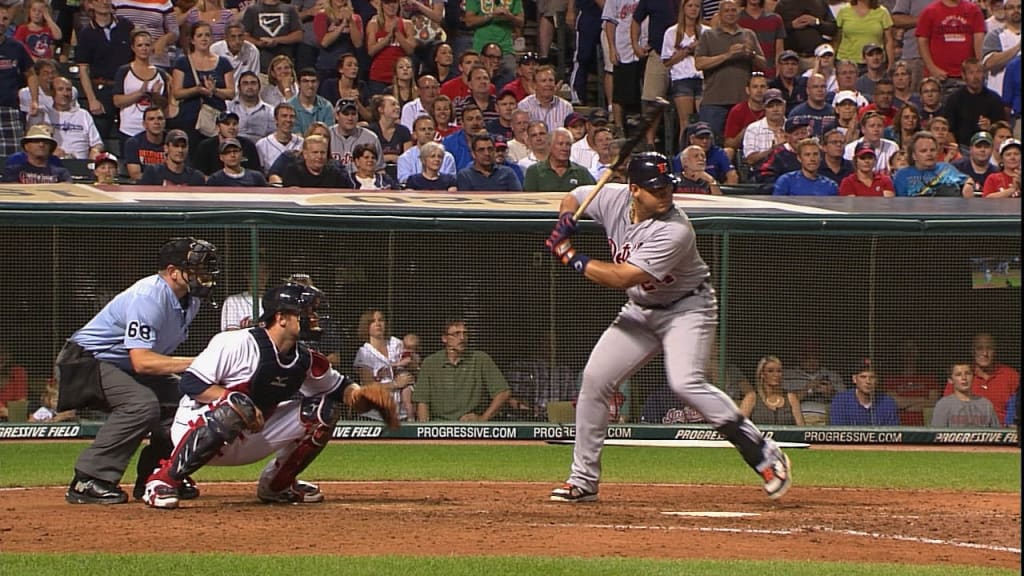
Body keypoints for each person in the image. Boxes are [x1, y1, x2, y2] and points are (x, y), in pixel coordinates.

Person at [545, 151, 792, 503]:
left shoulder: (675, 229)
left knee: (685, 381)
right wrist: (567, 217)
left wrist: (570, 255)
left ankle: (764, 453)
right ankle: (583, 480)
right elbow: (574, 196)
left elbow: (623, 276)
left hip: (687, 309)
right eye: (655, 188)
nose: (665, 194)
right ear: (634, 189)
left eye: (667, 186)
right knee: (595, 380)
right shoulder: (613, 197)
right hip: (641, 310)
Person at [141, 282, 397, 509]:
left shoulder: (305, 359)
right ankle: (164, 480)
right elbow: (191, 383)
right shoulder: (235, 343)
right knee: (236, 404)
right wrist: (240, 405)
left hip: (252, 435)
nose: (314, 317)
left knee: (324, 410)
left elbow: (340, 389)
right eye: (306, 312)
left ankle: (277, 486)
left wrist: (362, 396)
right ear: (282, 318)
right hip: (197, 428)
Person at [58, 237, 219, 505]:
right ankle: (89, 479)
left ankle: (159, 476)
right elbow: (142, 362)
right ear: (172, 272)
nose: (203, 276)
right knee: (141, 404)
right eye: (196, 269)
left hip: (121, 364)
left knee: (186, 401)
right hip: (86, 361)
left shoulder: (191, 300)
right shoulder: (149, 296)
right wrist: (199, 362)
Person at [413, 319, 511, 422]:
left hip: (472, 428)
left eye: (465, 333)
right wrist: (426, 430)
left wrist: (483, 419)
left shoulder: (480, 359)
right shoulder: (430, 363)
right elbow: (422, 401)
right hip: (439, 428)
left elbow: (503, 392)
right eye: (456, 334)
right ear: (444, 338)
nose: (462, 338)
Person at [695, 0, 767, 137]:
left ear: (738, 13)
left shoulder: (748, 35)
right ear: (719, 14)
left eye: (733, 10)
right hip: (714, 101)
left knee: (743, 141)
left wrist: (751, 54)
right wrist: (727, 55)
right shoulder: (709, 35)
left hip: (743, 101)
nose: (730, 14)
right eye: (726, 11)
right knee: (710, 142)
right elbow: (699, 64)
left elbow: (764, 63)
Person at [73, 0, 134, 143]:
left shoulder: (127, 27)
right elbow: (83, 68)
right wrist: (92, 100)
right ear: (91, 4)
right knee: (99, 137)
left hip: (127, 90)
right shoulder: (86, 33)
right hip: (102, 91)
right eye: (99, 0)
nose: (104, 2)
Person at [171, 21, 236, 150]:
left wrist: (214, 90)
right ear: (192, 40)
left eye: (207, 35)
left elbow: (231, 93)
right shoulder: (182, 62)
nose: (204, 39)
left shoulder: (223, 62)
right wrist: (198, 90)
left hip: (215, 119)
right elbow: (177, 93)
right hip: (190, 118)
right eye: (200, 35)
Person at [941, 333, 1020, 424]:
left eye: (989, 348)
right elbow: (946, 408)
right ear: (972, 351)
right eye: (979, 348)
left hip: (1003, 433)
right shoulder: (961, 375)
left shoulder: (1011, 375)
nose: (985, 353)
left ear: (995, 351)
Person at [353, 310, 416, 422]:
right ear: (366, 326)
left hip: (401, 414)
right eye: (373, 321)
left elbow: (413, 360)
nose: (378, 324)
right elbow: (368, 386)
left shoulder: (396, 343)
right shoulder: (364, 353)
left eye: (381, 320)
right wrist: (395, 384)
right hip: (375, 415)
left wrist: (410, 363)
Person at [113, 31, 173, 144]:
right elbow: (117, 101)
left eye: (147, 45)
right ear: (133, 48)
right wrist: (140, 93)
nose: (144, 48)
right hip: (129, 129)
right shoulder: (124, 71)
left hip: (154, 131)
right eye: (140, 45)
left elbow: (164, 105)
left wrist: (155, 96)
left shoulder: (160, 74)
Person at [663, 0, 709, 147]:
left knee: (704, 122)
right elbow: (667, 61)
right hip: (681, 80)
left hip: (702, 78)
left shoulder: (706, 32)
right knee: (686, 123)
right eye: (690, 6)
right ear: (683, 9)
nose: (693, 9)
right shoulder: (672, 32)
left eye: (697, 6)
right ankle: (684, 156)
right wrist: (688, 50)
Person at [915, 0, 985, 90]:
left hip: (968, 76)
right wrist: (932, 68)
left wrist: (978, 70)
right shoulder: (930, 11)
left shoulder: (974, 10)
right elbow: (922, 41)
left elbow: (979, 42)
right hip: (939, 76)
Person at [945, 59, 1008, 151]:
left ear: (984, 74)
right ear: (964, 76)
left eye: (979, 72)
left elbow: (1002, 130)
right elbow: (949, 131)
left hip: (988, 148)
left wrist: (990, 127)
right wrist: (956, 153)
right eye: (971, 73)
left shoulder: (994, 99)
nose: (975, 77)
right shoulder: (954, 99)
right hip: (962, 148)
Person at [892, 131, 973, 197]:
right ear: (914, 155)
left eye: (932, 150)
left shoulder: (946, 168)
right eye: (923, 151)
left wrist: (968, 185)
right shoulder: (902, 175)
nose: (929, 154)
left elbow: (967, 180)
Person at [364, 0, 416, 94]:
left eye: (394, 2)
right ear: (382, 5)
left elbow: (410, 50)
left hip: (400, 77)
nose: (391, 6)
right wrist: (388, 37)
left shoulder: (407, 24)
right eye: (387, 3)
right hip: (378, 76)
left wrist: (397, 33)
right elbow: (371, 51)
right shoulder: (374, 24)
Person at [829, 358, 899, 426]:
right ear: (854, 379)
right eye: (863, 377)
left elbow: (893, 434)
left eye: (872, 377)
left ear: (877, 380)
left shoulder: (887, 402)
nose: (868, 381)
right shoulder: (841, 401)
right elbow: (838, 433)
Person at [523, 128, 597, 192]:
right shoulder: (534, 171)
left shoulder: (581, 173)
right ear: (550, 146)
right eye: (560, 144)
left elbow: (592, 196)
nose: (565, 148)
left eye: (568, 144)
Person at [48, 77, 104, 160]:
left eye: (68, 90)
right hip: (53, 162)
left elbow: (97, 143)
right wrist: (50, 150)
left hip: (80, 164)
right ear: (52, 93)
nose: (65, 93)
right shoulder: (46, 114)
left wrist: (95, 150)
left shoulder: (83, 114)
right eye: (60, 89)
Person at [931, 362, 1002, 427]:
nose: (964, 378)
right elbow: (936, 436)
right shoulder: (943, 405)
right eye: (958, 375)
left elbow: (996, 435)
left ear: (973, 377)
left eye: (967, 373)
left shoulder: (986, 404)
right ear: (950, 380)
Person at [242, 0, 303, 73]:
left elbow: (298, 35)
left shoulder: (290, 9)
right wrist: (258, 43)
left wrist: (276, 40)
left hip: (284, 65)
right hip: (260, 65)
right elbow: (244, 36)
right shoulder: (252, 10)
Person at [194, 111, 262, 175]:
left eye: (235, 124)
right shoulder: (205, 146)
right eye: (227, 124)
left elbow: (256, 173)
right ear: (218, 127)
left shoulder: (248, 145)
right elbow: (200, 175)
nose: (231, 127)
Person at [328, 98, 385, 174]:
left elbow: (379, 169)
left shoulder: (370, 138)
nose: (350, 118)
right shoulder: (327, 135)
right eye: (346, 114)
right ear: (337, 116)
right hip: (333, 184)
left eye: (353, 114)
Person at [313, 0, 364, 83]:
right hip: (327, 67)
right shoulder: (322, 16)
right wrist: (343, 25)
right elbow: (324, 42)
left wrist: (350, 20)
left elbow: (358, 43)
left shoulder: (356, 18)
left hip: (348, 68)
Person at [777, 0, 838, 69]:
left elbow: (833, 29)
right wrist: (791, 25)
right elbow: (774, 30)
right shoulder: (783, 4)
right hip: (790, 60)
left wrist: (816, 22)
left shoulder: (820, 3)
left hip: (815, 58)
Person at [1, 125, 72, 183]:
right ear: (26, 146)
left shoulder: (61, 173)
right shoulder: (13, 171)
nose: (41, 145)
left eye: (46, 142)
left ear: (50, 147)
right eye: (36, 141)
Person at [397, 116, 457, 184]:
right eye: (423, 129)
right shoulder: (405, 158)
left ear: (435, 133)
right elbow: (404, 180)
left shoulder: (447, 158)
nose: (427, 132)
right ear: (414, 134)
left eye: (430, 129)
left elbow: (450, 181)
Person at [281, 134, 355, 187]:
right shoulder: (293, 171)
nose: (319, 156)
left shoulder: (335, 172)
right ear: (305, 154)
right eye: (315, 152)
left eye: (322, 152)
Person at [456, 132, 523, 191]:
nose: (487, 153)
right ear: (473, 154)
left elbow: (518, 198)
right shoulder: (465, 175)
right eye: (481, 150)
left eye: (490, 149)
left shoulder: (507, 173)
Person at [138, 129, 208, 186]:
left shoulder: (196, 177)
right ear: (166, 148)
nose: (180, 150)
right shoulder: (153, 173)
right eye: (176, 146)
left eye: (183, 146)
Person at [517, 65, 574, 134]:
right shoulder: (524, 106)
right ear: (534, 85)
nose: (548, 84)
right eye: (543, 81)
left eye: (551, 80)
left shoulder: (566, 107)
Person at [773, 137, 839, 195]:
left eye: (815, 154)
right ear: (799, 158)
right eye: (807, 155)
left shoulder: (831, 186)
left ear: (820, 157)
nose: (812, 159)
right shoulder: (786, 181)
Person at [750, 355, 804, 425]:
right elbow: (738, 426)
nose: (776, 374)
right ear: (762, 374)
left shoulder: (791, 398)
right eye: (770, 371)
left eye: (779, 371)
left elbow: (802, 428)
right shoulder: (752, 397)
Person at [742, 87, 788, 168]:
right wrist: (773, 150)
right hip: (762, 173)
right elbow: (750, 159)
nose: (775, 109)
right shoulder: (753, 129)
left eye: (778, 105)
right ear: (764, 108)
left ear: (785, 105)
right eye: (770, 106)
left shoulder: (793, 127)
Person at [227, 71, 275, 142]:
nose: (249, 87)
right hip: (232, 147)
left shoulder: (270, 110)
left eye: (253, 83)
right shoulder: (229, 107)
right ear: (239, 88)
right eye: (245, 83)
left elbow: (273, 136)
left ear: (259, 87)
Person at [124, 107, 169, 180]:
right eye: (151, 119)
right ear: (144, 124)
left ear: (165, 122)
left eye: (160, 118)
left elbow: (180, 171)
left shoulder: (172, 141)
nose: (156, 122)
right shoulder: (133, 143)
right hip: (143, 187)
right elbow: (135, 174)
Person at [211, 23, 261, 87]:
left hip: (244, 92)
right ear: (226, 38)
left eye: (240, 36)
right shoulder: (215, 50)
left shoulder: (252, 50)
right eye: (233, 37)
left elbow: (254, 76)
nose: (237, 41)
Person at [367, 93, 412, 163]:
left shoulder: (404, 131)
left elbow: (408, 159)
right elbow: (367, 158)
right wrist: (390, 157)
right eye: (393, 104)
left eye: (398, 105)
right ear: (381, 109)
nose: (398, 107)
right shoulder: (370, 131)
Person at [289, 67, 335, 136]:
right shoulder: (290, 106)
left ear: (318, 84)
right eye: (305, 81)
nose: (310, 85)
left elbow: (328, 134)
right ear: (298, 84)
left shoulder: (327, 107)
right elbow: (295, 136)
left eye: (313, 81)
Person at [0, 347, 28, 422]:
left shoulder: (18, 372)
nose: (1, 357)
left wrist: (16, 413)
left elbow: (21, 400)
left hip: (12, 415)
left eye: (4, 353)